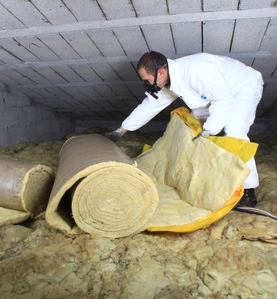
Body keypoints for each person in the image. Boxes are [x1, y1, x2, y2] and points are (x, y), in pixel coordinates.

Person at [106, 51, 263, 208]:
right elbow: (150, 105)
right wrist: (122, 129)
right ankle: (206, 176)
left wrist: (209, 130)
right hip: (214, 97)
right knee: (192, 125)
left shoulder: (196, 70)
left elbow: (224, 100)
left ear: (160, 72)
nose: (146, 84)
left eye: (147, 80)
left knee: (234, 131)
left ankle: (249, 192)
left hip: (242, 88)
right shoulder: (168, 80)